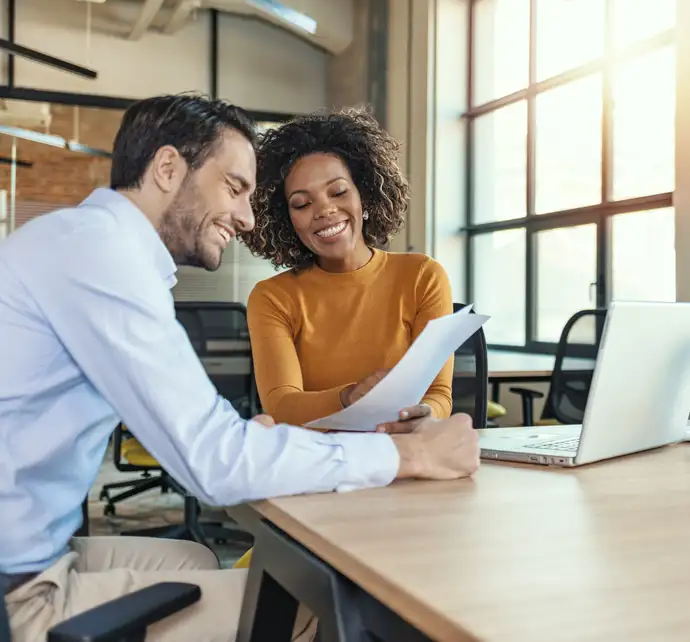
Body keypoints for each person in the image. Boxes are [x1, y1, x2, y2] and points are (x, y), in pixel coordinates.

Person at [0, 94, 480, 642]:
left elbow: (202, 442)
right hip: (19, 592)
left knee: (200, 563)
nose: (249, 217)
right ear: (166, 168)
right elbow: (212, 463)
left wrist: (239, 439)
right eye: (234, 188)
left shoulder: (88, 244)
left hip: (37, 551)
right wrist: (407, 453)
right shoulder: (98, 256)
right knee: (306, 599)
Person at [242, 108, 454, 432]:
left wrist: (425, 416)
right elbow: (282, 405)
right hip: (316, 462)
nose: (325, 210)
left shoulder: (423, 277)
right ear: (287, 221)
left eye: (338, 192)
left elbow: (438, 394)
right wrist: (349, 397)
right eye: (302, 204)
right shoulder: (272, 297)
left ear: (364, 197)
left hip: (403, 453)